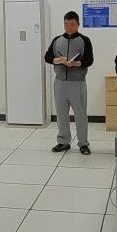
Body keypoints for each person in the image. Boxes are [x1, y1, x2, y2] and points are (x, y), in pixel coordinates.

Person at [43, 11, 94, 154]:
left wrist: (77, 63)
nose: (69, 27)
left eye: (72, 24)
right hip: (60, 83)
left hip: (77, 83)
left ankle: (83, 143)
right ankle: (63, 141)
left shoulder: (84, 40)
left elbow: (89, 60)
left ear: (78, 25)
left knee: (80, 114)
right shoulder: (57, 40)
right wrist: (58, 60)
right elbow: (47, 57)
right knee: (61, 114)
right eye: (66, 24)